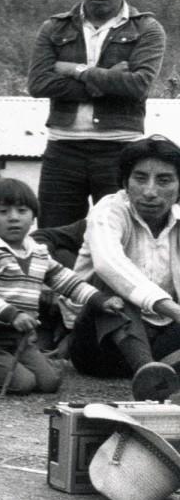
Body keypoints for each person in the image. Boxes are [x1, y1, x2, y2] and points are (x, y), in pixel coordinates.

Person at [28, 0, 165, 229]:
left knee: (121, 235)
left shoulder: (146, 29)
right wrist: (106, 81)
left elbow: (138, 85)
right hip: (62, 147)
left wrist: (77, 70)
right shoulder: (54, 28)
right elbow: (39, 83)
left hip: (120, 148)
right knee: (54, 235)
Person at [0, 177, 116, 394]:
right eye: (3, 212)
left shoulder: (37, 252)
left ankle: (10, 366)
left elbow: (67, 280)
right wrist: (13, 315)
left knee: (50, 382)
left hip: (21, 338)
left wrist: (100, 300)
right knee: (23, 385)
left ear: (33, 216)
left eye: (22, 210)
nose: (14, 218)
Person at [66, 137, 180, 400]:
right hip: (99, 343)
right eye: (140, 178)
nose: (150, 191)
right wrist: (172, 309)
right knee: (111, 285)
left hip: (162, 337)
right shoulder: (109, 210)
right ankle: (147, 372)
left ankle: (161, 369)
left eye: (164, 180)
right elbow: (108, 264)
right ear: (125, 182)